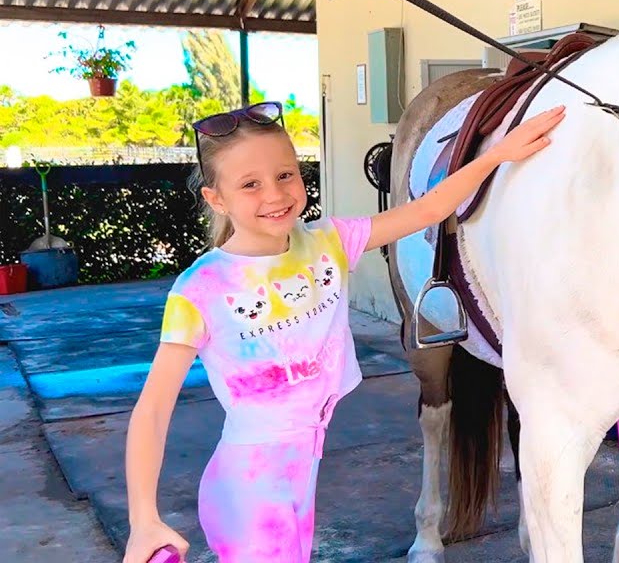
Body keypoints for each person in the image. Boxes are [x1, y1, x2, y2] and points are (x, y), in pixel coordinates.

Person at [121, 99, 565, 563]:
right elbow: (152, 409)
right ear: (218, 199)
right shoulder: (201, 288)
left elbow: (430, 209)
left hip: (301, 470)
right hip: (249, 487)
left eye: (286, 175)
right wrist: (143, 519)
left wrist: (495, 154)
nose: (274, 195)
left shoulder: (328, 242)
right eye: (250, 184)